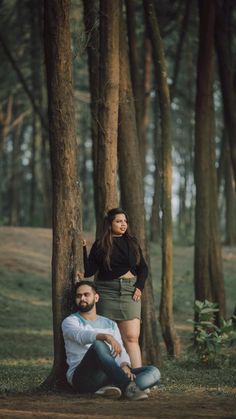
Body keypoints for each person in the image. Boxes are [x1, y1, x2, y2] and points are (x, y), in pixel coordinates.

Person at [62, 281, 160, 400]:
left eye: (86, 294)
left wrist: (124, 365)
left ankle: (111, 389)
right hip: (83, 378)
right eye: (78, 296)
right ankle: (128, 387)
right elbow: (81, 336)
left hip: (110, 373)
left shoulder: (110, 324)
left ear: (96, 297)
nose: (82, 298)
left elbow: (120, 349)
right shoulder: (70, 321)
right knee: (98, 345)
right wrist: (105, 336)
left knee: (153, 371)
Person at [81, 207, 148, 368]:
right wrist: (83, 249)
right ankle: (112, 378)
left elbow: (143, 268)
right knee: (108, 337)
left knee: (132, 337)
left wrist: (139, 286)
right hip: (106, 291)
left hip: (129, 292)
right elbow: (89, 271)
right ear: (109, 224)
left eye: (125, 221)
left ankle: (138, 377)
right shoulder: (100, 244)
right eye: (119, 221)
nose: (123, 224)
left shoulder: (132, 242)